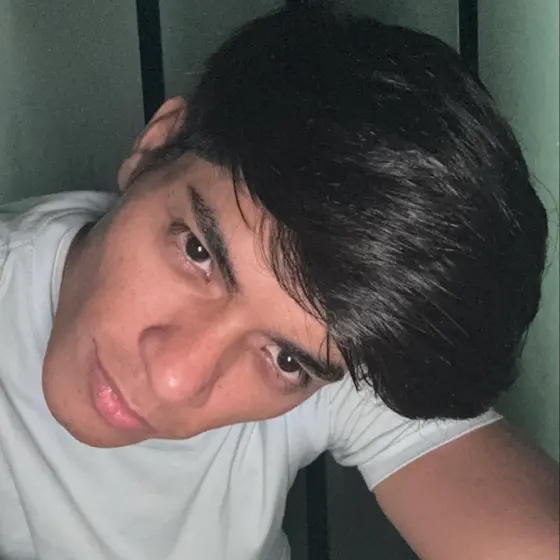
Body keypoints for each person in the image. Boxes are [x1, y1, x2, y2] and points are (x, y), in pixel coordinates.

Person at [0, 4, 558, 560]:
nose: (174, 379)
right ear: (155, 146)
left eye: (286, 361)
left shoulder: (338, 333)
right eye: (197, 252)